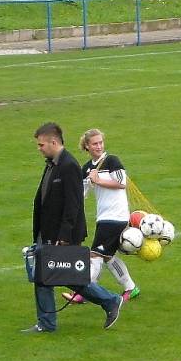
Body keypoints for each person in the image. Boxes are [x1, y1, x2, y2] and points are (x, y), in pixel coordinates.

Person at [23, 122, 123, 334]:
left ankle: (110, 300)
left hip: (62, 235)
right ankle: (46, 323)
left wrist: (64, 235)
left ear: (53, 142)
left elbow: (74, 204)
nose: (39, 148)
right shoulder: (52, 163)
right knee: (44, 276)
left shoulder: (68, 166)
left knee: (67, 276)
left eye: (41, 144)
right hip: (49, 232)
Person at [62, 129, 140, 305]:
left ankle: (83, 292)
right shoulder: (87, 168)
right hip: (103, 217)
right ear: (87, 146)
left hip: (117, 216)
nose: (99, 146)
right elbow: (80, 193)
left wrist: (98, 180)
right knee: (108, 256)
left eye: (100, 142)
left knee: (94, 255)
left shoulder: (111, 161)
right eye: (94, 144)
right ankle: (131, 287)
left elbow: (122, 183)